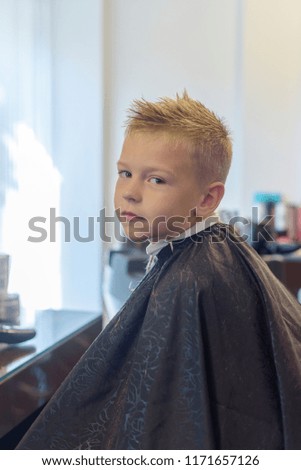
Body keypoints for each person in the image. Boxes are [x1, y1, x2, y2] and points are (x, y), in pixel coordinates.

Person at [17, 92, 301, 450]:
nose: (130, 193)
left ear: (207, 199)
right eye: (125, 173)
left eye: (156, 180)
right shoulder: (208, 254)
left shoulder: (188, 283)